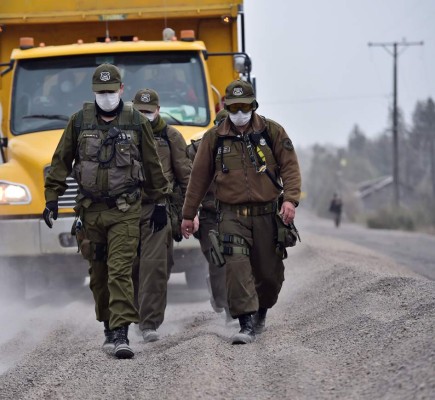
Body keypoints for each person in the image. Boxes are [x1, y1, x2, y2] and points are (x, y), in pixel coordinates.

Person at [43, 64, 169, 359]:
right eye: (101, 91)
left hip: (125, 211)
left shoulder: (136, 121)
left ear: (121, 90)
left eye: (111, 90)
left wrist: (161, 201)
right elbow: (61, 161)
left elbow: (153, 165)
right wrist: (52, 199)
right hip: (90, 212)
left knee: (120, 270)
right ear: (93, 92)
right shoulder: (79, 121)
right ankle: (109, 328)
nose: (107, 96)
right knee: (98, 275)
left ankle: (122, 333)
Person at [181, 79, 302, 345]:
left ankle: (261, 311)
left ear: (253, 105)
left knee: (269, 275)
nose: (238, 112)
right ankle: (245, 323)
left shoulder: (272, 132)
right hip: (231, 217)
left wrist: (290, 200)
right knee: (236, 268)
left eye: (243, 107)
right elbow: (198, 179)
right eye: (233, 107)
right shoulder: (214, 139)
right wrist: (189, 215)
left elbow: (290, 167)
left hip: (267, 215)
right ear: (225, 106)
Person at [131, 88, 192, 343]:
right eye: (139, 111)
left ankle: (149, 323)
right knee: (129, 268)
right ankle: (133, 317)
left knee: (155, 268)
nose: (144, 116)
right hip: (126, 210)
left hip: (157, 209)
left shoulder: (171, 137)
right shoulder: (122, 135)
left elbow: (186, 177)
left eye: (148, 111)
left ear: (158, 110)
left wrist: (190, 212)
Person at [187, 109, 231, 321]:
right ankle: (221, 299)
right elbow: (189, 183)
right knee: (217, 259)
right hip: (209, 216)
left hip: (236, 214)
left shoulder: (243, 148)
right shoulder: (198, 149)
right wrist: (190, 212)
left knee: (238, 260)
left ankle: (234, 310)